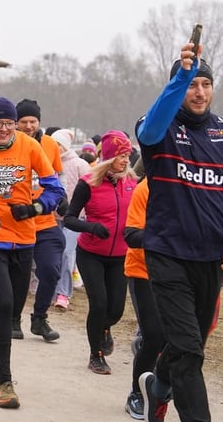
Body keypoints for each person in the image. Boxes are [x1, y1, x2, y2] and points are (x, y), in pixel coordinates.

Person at [134, 44, 223, 422]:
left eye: (205, 83)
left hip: (211, 258)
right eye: (192, 84)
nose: (200, 92)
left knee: (190, 347)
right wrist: (180, 77)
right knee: (189, 351)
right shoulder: (158, 128)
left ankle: (156, 387)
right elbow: (154, 124)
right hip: (166, 253)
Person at [0, 97, 64, 409]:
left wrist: (33, 208)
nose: (5, 129)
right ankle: (4, 383)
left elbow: (55, 190)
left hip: (24, 237)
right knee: (6, 300)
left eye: (10, 123)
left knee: (12, 312)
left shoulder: (29, 146)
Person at [63, 130, 136, 375]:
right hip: (91, 252)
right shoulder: (88, 183)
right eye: (121, 156)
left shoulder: (132, 182)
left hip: (120, 256)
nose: (126, 160)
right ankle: (96, 355)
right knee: (99, 303)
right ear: (108, 157)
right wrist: (91, 227)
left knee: (115, 309)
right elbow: (69, 219)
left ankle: (104, 328)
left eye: (128, 155)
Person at [14, 98, 64, 341]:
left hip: (44, 220)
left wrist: (50, 202)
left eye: (32, 121)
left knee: (51, 269)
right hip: (15, 222)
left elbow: (54, 178)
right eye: (23, 121)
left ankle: (39, 317)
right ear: (15, 123)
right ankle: (13, 318)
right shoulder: (8, 144)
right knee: (18, 276)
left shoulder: (51, 145)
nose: (28, 126)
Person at [122, 159, 165, 419]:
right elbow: (132, 235)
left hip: (178, 274)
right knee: (155, 336)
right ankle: (136, 394)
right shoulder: (145, 189)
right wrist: (167, 237)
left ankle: (162, 382)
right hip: (143, 271)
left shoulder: (188, 190)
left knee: (174, 338)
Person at [51, 128, 92, 310]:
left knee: (67, 253)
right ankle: (51, 289)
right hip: (53, 216)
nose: (55, 148)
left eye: (58, 145)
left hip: (75, 217)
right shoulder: (49, 162)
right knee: (53, 255)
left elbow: (92, 188)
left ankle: (63, 293)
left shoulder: (80, 164)